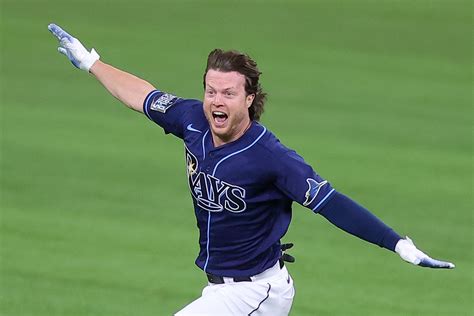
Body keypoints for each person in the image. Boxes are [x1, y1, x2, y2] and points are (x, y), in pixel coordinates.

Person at [47, 23, 455, 316]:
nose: (215, 100)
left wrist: (398, 244)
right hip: (226, 290)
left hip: (256, 293)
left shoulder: (271, 157)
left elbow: (332, 204)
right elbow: (143, 95)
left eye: (227, 92)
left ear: (249, 99)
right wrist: (91, 62)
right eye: (210, 90)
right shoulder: (191, 120)